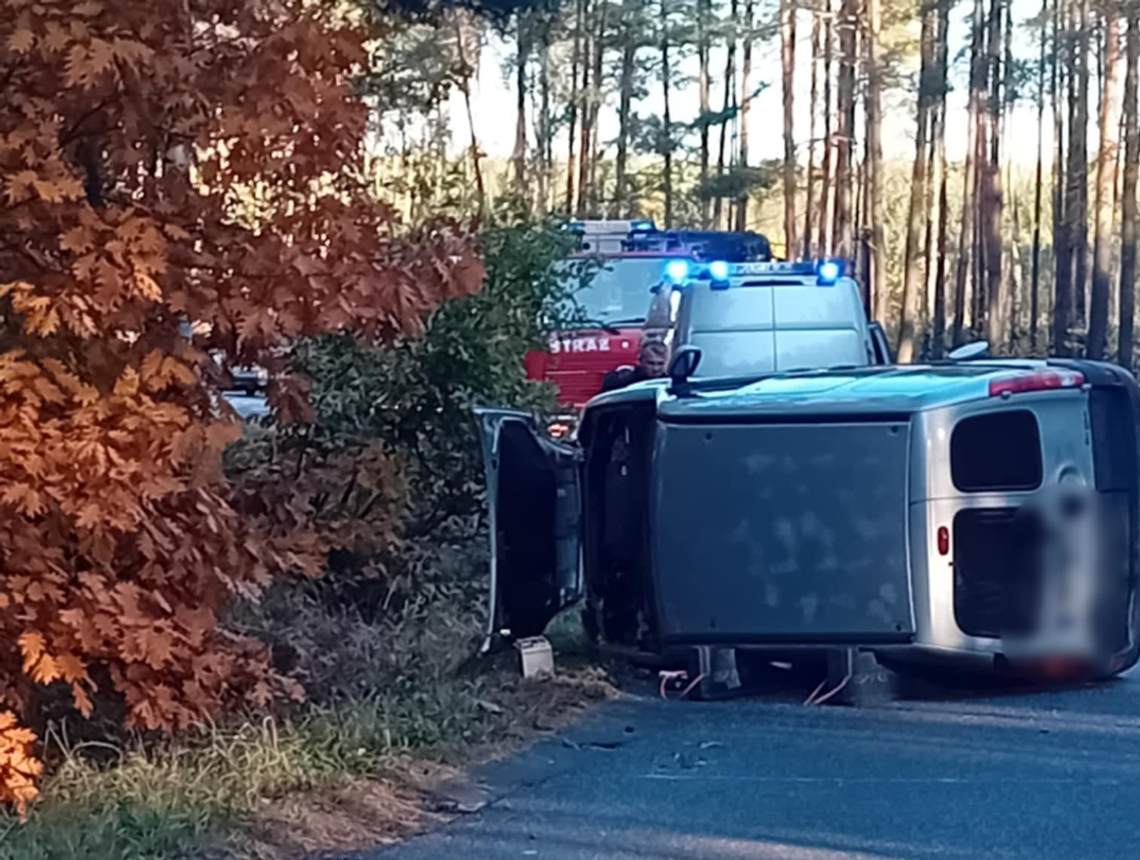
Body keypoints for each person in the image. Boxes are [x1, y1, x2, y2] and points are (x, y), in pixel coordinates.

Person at [599, 281, 676, 393]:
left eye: (660, 364)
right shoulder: (621, 381)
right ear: (640, 361)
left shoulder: (668, 384)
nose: (656, 369)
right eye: (651, 363)